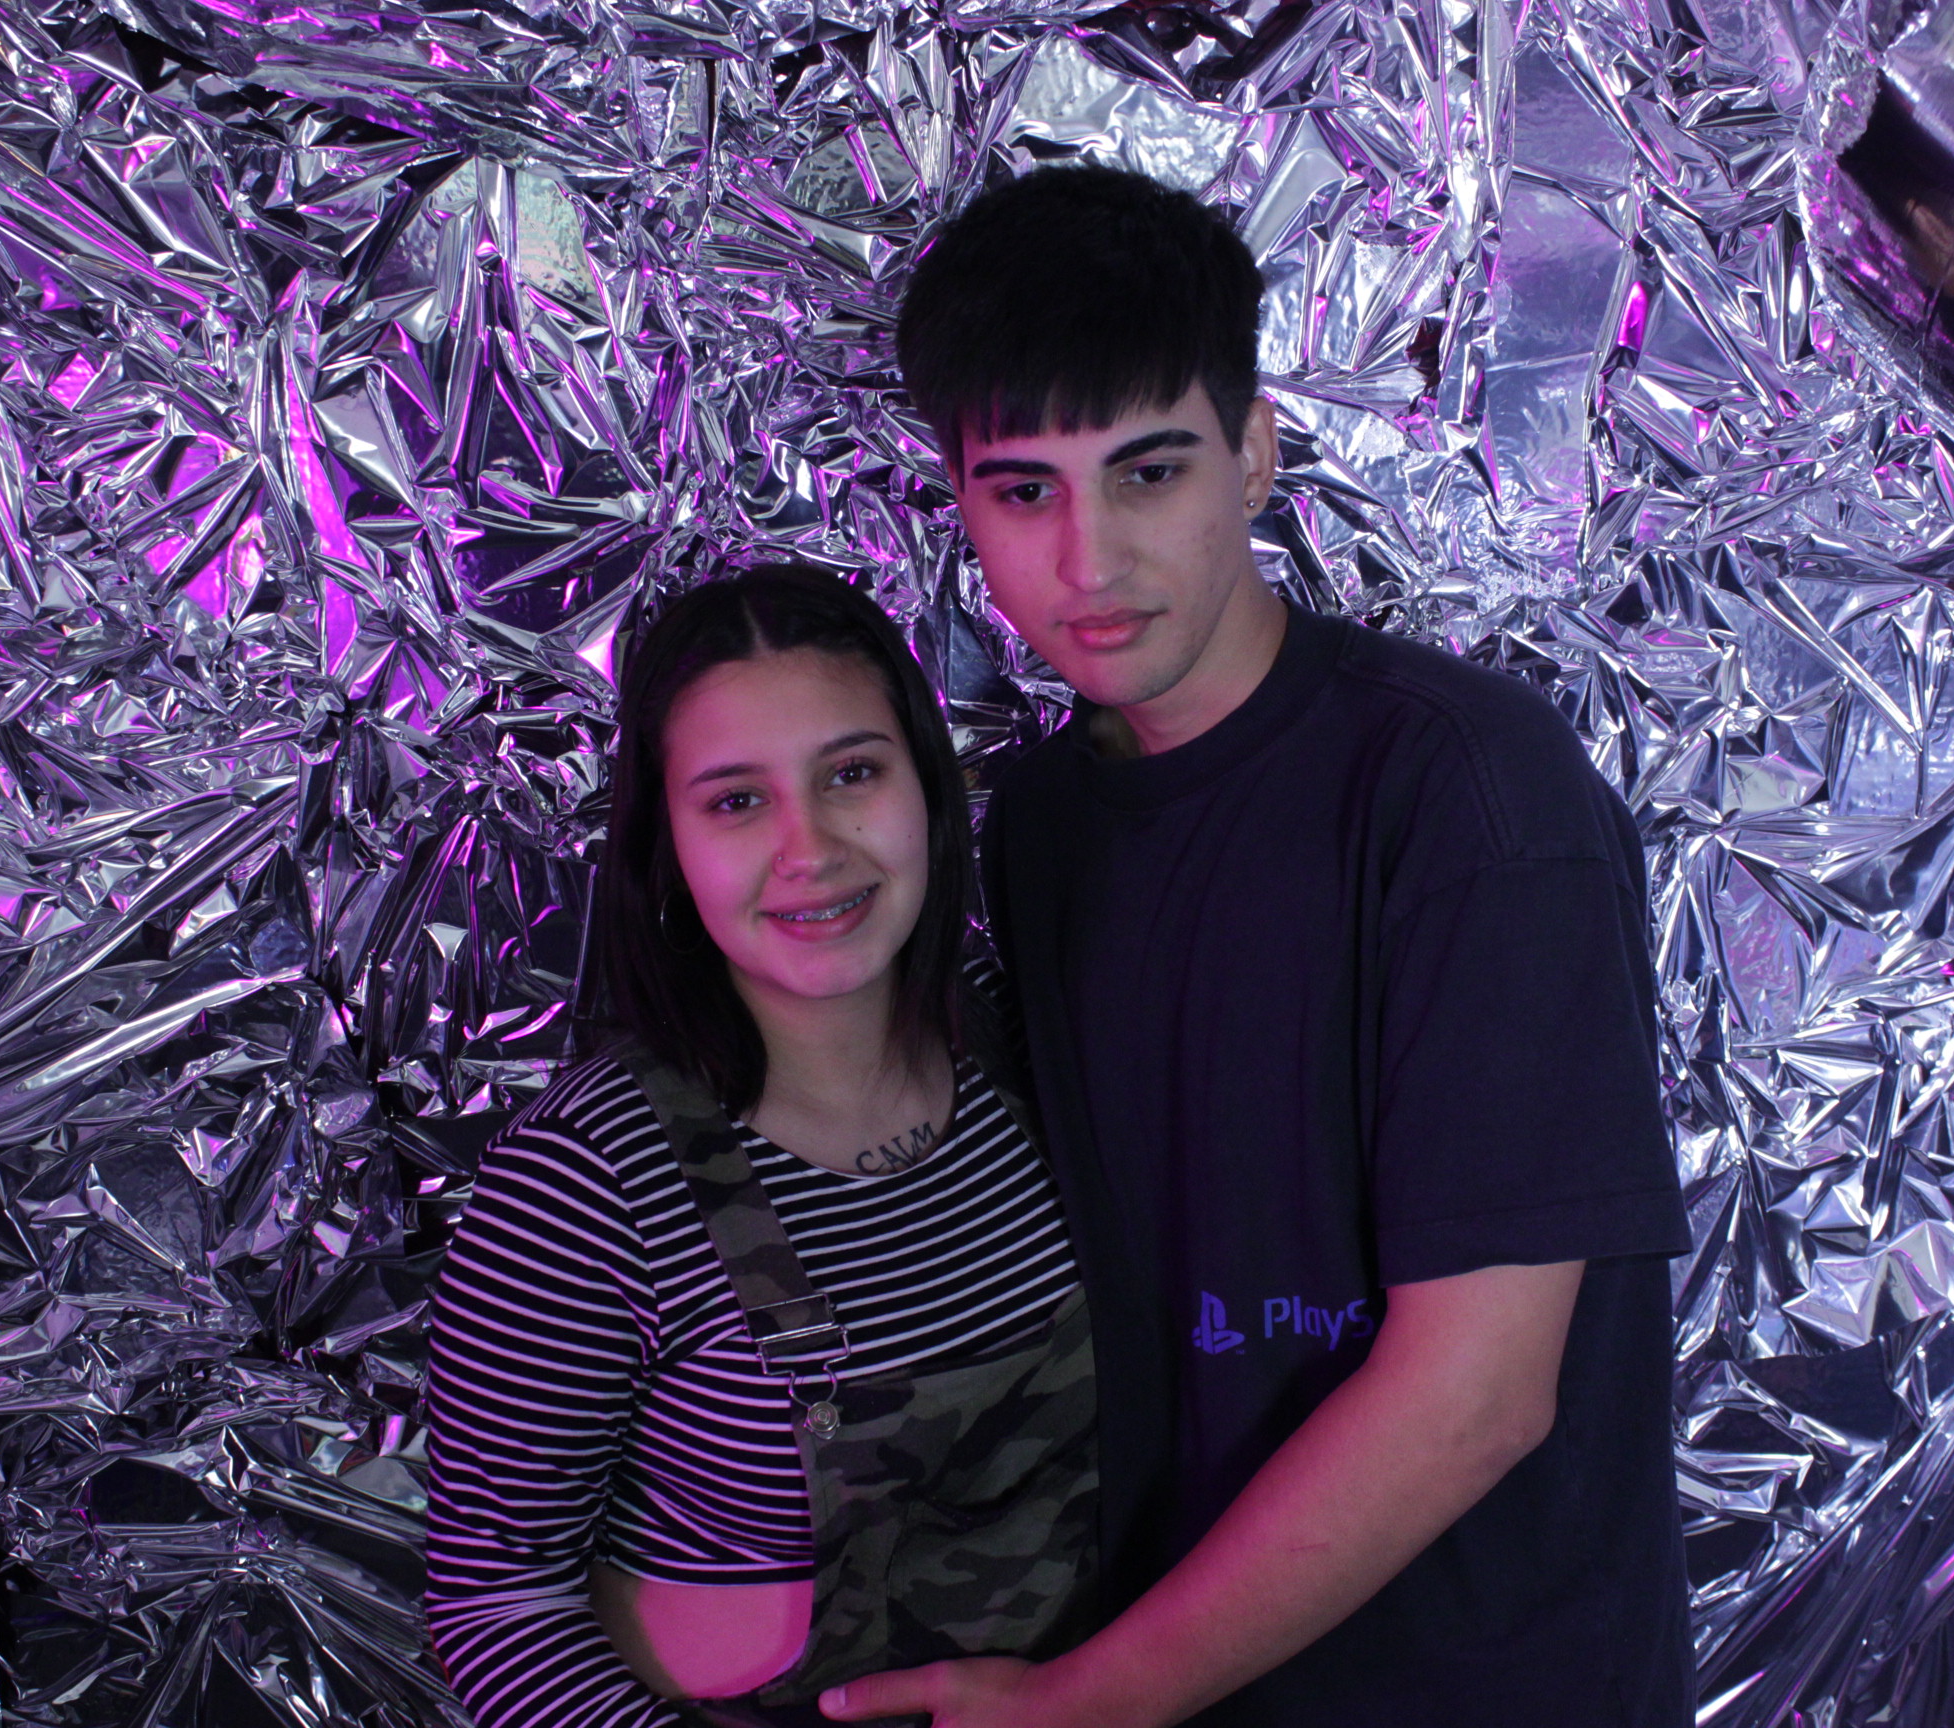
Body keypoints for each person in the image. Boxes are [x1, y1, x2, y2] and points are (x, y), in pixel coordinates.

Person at [821, 166, 1694, 1727]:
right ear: (959, 501)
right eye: (1024, 492)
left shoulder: (1466, 794)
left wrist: (1092, 1701)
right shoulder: (1039, 830)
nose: (1089, 560)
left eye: (1147, 472)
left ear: (1258, 452)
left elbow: (1480, 1394)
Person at [422, 566, 1097, 1727]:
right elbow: (496, 1604)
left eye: (852, 773)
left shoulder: (1030, 1042)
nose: (809, 847)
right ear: (667, 846)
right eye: (736, 801)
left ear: (928, 787)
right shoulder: (583, 1186)